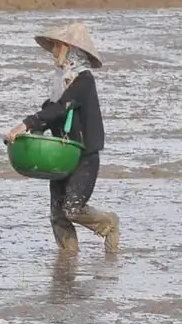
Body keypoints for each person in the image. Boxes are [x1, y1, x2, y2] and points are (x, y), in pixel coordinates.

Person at [6, 22, 119, 255]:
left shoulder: (83, 81)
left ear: (69, 49)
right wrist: (29, 134)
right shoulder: (60, 81)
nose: (54, 51)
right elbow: (50, 111)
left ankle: (108, 223)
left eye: (58, 46)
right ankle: (68, 259)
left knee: (72, 209)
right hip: (62, 153)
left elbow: (60, 109)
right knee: (57, 215)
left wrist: (26, 122)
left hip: (83, 155)